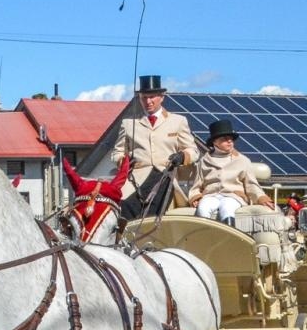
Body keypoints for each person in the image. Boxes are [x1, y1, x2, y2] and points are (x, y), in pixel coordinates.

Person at [109, 75, 194, 219]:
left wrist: (182, 156)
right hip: (137, 179)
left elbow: (193, 150)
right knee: (120, 206)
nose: (148, 101)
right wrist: (123, 161)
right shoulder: (129, 124)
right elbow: (117, 152)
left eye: (152, 97)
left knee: (157, 211)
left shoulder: (178, 121)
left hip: (165, 176)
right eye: (144, 98)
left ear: (162, 97)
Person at [186, 119, 274, 224]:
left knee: (227, 208)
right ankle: (204, 238)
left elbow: (252, 185)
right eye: (224, 138)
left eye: (231, 139)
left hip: (233, 196)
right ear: (215, 142)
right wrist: (195, 197)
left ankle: (229, 238)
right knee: (203, 208)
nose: (229, 141)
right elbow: (196, 185)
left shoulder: (242, 160)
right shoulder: (204, 161)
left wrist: (262, 198)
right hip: (210, 195)